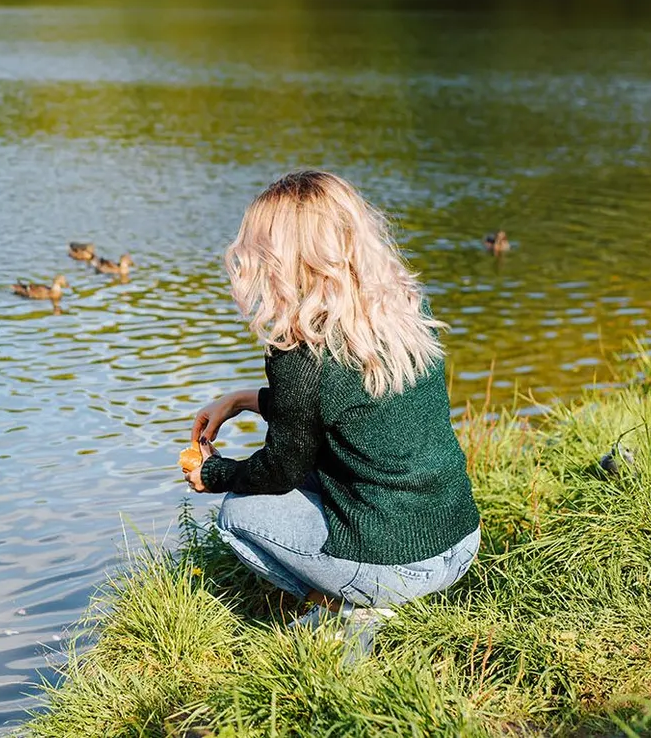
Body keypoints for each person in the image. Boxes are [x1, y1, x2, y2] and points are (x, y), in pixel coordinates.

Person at [185, 170, 481, 656]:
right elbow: (349, 411)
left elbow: (281, 468)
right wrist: (244, 399)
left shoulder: (302, 353)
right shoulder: (402, 307)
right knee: (315, 475)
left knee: (238, 512)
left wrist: (215, 473)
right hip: (458, 540)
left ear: (281, 258)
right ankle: (371, 595)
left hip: (401, 564)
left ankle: (357, 607)